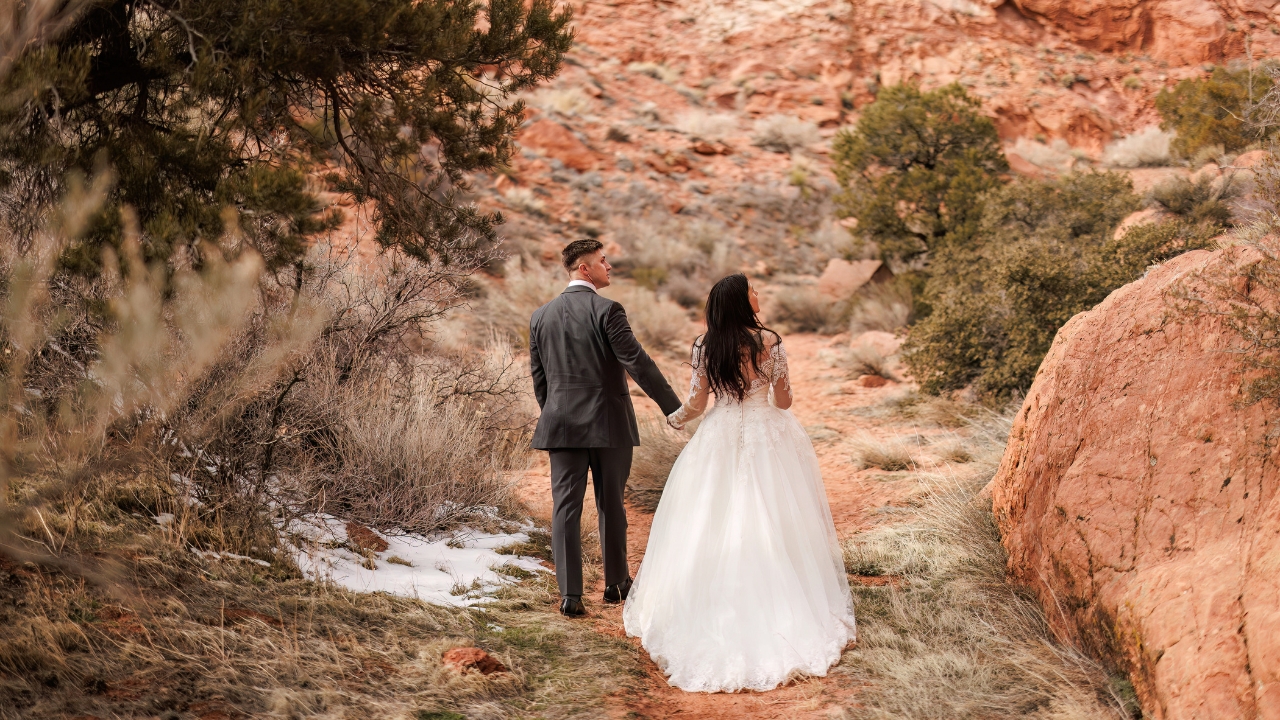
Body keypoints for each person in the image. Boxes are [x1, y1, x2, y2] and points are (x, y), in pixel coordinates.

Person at [623, 272, 857, 692]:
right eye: (754, 289)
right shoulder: (770, 341)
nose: (759, 294)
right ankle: (785, 597)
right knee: (775, 510)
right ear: (740, 299)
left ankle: (704, 598)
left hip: (721, 431)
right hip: (769, 431)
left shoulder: (705, 344)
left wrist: (674, 420)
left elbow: (696, 402)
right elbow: (784, 400)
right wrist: (767, 389)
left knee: (710, 512)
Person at [528, 239, 683, 617]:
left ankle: (570, 595)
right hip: (608, 424)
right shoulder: (607, 310)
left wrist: (556, 413)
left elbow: (540, 379)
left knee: (565, 507)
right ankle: (616, 584)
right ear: (585, 269)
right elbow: (638, 362)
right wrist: (674, 407)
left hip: (560, 424)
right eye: (602, 261)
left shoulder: (540, 316)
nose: (608, 266)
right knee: (610, 502)